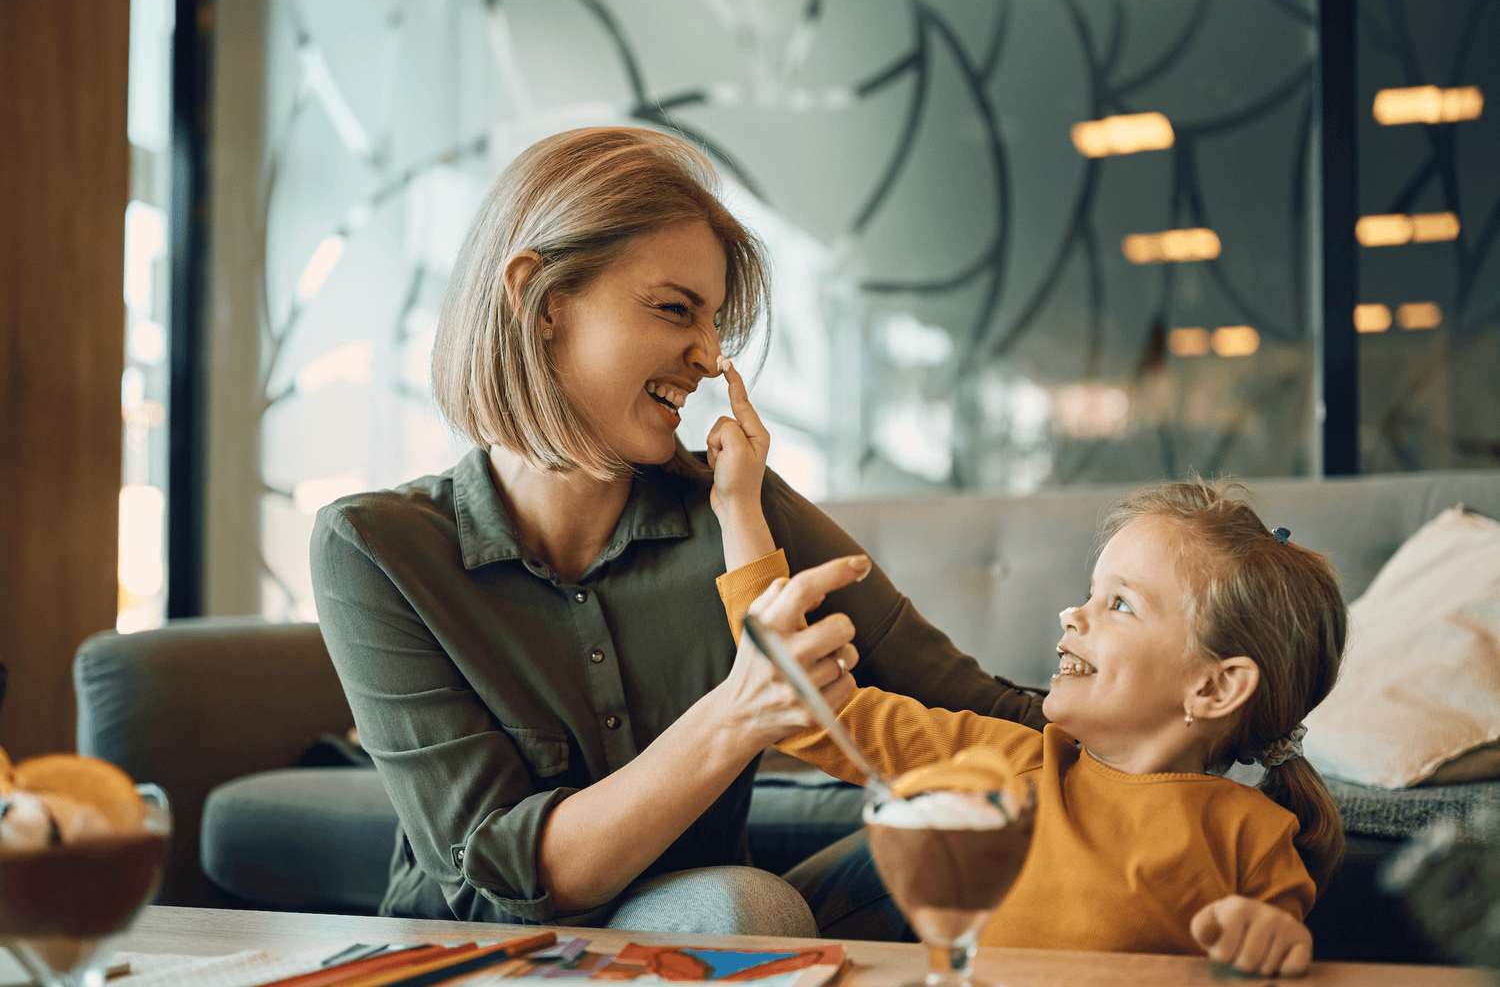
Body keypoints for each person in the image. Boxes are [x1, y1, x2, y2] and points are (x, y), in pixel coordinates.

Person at [309, 125, 1047, 936]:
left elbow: (984, 713)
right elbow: (502, 881)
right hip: (488, 955)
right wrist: (739, 714)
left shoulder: (738, 506)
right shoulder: (375, 547)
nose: (710, 358)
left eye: (715, 322)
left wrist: (1173, 724)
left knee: (1012, 828)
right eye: (674, 310)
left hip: (706, 932)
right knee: (742, 904)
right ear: (542, 301)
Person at [715, 451, 1345, 975]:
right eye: (1089, 593)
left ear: (1215, 688)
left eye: (1120, 604)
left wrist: (1269, 937)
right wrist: (739, 505)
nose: (1073, 613)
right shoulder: (1010, 763)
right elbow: (800, 706)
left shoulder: (1254, 835)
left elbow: (1280, 949)